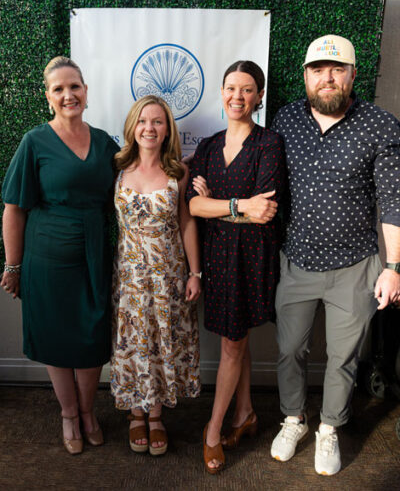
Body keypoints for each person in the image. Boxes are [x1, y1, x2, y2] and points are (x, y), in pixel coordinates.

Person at [270, 34, 400, 476]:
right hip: (298, 260)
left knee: (342, 358)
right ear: (306, 76)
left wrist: (395, 267)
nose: (327, 78)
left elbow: (394, 200)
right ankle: (294, 420)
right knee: (289, 350)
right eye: (318, 70)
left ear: (352, 74)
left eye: (337, 69)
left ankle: (328, 429)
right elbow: (262, 177)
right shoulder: (285, 121)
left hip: (356, 266)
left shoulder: (380, 124)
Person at [1, 56, 119, 455]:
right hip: (46, 257)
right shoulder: (35, 142)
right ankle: (69, 413)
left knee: (91, 334)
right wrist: (12, 266)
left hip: (93, 254)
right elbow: (14, 209)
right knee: (55, 335)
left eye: (75, 86)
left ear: (86, 91)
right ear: (48, 96)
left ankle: (89, 412)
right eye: (59, 89)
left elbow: (140, 173)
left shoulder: (104, 142)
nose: (68, 94)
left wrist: (182, 169)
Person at [186, 60, 285, 473]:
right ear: (221, 91)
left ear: (259, 96)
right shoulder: (208, 146)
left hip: (251, 257)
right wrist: (240, 204)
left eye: (247, 90)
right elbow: (193, 206)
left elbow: (266, 213)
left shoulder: (269, 144)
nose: (237, 97)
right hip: (218, 257)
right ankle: (245, 413)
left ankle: (213, 431)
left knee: (232, 343)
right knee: (236, 337)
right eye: (231, 88)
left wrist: (219, 207)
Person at [110, 95, 201, 456]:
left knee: (164, 341)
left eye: (158, 122)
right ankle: (136, 412)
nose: (150, 128)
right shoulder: (115, 167)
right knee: (135, 341)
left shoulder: (179, 171)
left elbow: (187, 222)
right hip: (129, 277)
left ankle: (157, 414)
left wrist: (195, 273)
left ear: (167, 130)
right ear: (133, 125)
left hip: (169, 276)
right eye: (143, 121)